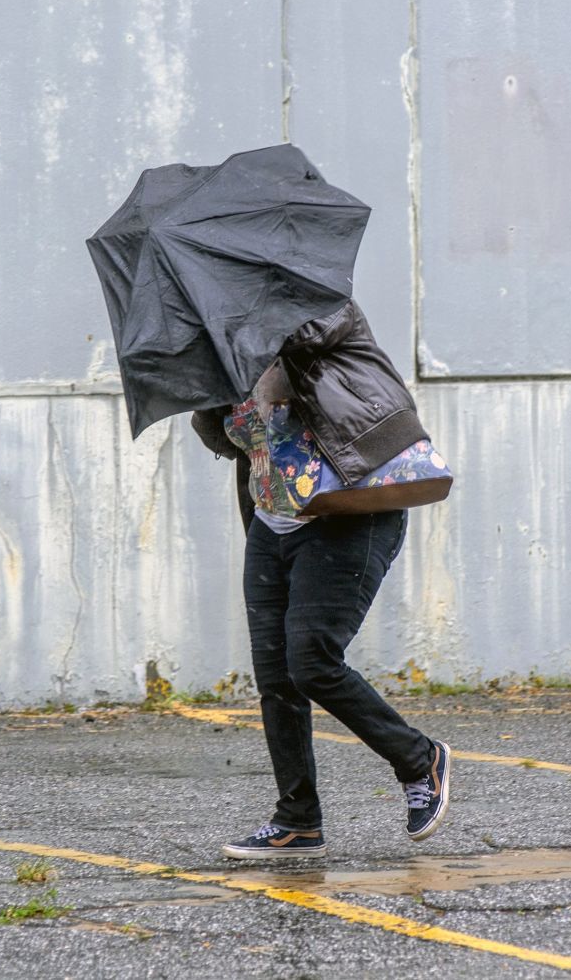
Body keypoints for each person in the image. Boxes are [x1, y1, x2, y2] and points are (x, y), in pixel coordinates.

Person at [191, 299, 452, 860]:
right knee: (276, 678)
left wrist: (245, 342)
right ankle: (298, 822)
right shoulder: (221, 338)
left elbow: (304, 344)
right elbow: (222, 436)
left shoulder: (322, 307)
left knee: (311, 660)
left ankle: (419, 758)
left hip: (348, 513)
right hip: (272, 519)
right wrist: (205, 378)